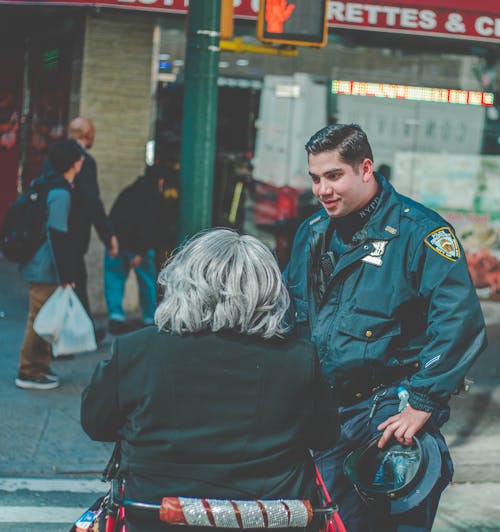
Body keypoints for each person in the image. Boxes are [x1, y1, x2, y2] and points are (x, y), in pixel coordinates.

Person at [283, 124, 488, 531]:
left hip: (386, 412)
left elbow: (460, 321)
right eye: (316, 178)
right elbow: (291, 317)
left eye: (334, 176)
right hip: (322, 412)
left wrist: (423, 402)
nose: (323, 189)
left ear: (365, 168)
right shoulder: (311, 234)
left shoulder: (421, 233)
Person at [81, 228, 339, 532]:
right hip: (270, 520)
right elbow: (324, 437)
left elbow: (96, 423)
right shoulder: (299, 358)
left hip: (158, 517)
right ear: (268, 290)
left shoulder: (136, 350)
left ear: (184, 283)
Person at [15, 139, 83, 390]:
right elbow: (58, 235)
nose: (82, 161)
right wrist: (67, 274)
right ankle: (29, 370)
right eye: (80, 158)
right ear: (73, 163)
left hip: (41, 264)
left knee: (44, 318)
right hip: (45, 267)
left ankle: (40, 366)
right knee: (39, 318)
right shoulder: (61, 193)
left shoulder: (46, 185)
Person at [42, 117, 118, 335]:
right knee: (74, 282)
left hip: (55, 229)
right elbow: (91, 201)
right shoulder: (82, 160)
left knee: (68, 283)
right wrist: (108, 235)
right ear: (88, 135)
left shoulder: (52, 157)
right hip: (72, 232)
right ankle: (80, 333)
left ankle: (81, 331)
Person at [104, 164, 166, 334]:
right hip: (139, 248)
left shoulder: (128, 192)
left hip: (117, 246)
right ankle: (149, 318)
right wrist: (141, 251)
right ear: (160, 180)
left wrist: (111, 242)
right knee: (147, 283)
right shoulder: (154, 197)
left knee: (114, 281)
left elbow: (112, 217)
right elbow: (150, 226)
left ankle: (116, 317)